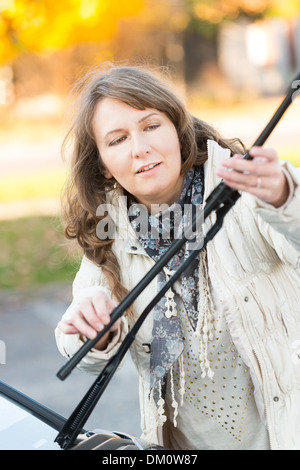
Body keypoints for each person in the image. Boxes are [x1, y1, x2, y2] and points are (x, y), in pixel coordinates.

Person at [55, 63, 300, 450]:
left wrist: (288, 197)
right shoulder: (108, 239)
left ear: (177, 129)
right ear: (102, 164)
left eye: (151, 126)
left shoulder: (246, 188)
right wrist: (92, 333)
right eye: (117, 140)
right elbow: (80, 354)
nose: (140, 148)